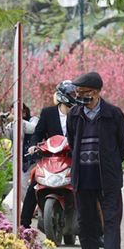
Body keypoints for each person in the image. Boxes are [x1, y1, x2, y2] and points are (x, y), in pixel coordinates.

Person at [67, 72, 124, 249]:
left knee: (111, 219)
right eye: (77, 92)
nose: (78, 95)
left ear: (95, 93)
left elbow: (123, 145)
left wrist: (109, 163)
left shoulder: (114, 114)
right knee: (86, 221)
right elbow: (71, 140)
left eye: (82, 92)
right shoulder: (74, 115)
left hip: (107, 178)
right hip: (83, 177)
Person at [20, 81, 77, 228]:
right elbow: (38, 133)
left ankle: (97, 231)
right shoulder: (48, 113)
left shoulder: (79, 113)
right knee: (35, 184)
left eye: (75, 94)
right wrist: (33, 145)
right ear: (62, 96)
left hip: (73, 158)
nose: (74, 97)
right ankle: (23, 225)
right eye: (71, 94)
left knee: (87, 189)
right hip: (51, 158)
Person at [0, 104, 39, 198]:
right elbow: (5, 135)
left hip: (33, 159)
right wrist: (1, 124)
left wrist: (17, 120)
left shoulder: (33, 120)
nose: (13, 115)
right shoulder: (13, 123)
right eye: (12, 113)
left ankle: (34, 207)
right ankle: (28, 208)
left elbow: (33, 129)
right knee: (21, 187)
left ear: (24, 112)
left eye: (15, 113)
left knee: (36, 184)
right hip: (19, 159)